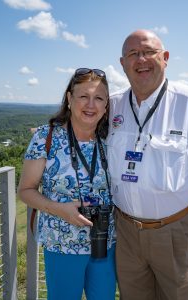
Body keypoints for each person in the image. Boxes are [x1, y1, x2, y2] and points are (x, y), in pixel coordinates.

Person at [107, 29, 188, 300]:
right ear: (122, 64)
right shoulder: (112, 105)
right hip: (126, 232)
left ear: (165, 58)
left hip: (176, 232)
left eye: (149, 52)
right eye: (132, 54)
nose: (141, 59)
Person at [18, 68, 116, 300]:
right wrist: (59, 209)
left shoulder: (111, 139)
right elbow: (25, 191)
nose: (90, 105)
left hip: (105, 242)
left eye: (99, 98)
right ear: (70, 99)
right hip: (61, 244)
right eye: (83, 96)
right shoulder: (46, 137)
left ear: (106, 106)